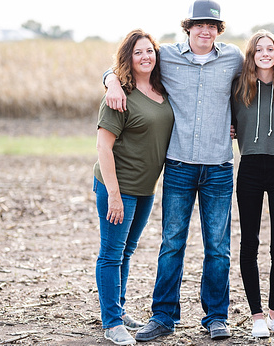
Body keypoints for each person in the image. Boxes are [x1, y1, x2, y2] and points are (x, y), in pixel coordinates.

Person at [103, 0, 274, 341]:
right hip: (178, 166)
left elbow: (265, 68)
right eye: (199, 24)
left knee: (218, 247)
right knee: (172, 243)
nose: (205, 30)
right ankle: (163, 316)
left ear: (218, 30)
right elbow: (131, 62)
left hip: (219, 168)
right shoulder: (167, 56)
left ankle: (216, 317)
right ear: (188, 27)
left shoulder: (234, 58)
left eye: (212, 25)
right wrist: (111, 81)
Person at [93, 30, 174, 346]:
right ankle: (112, 323)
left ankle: (118, 308)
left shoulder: (161, 89)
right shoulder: (118, 95)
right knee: (111, 254)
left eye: (150, 52)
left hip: (145, 189)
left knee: (126, 251)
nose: (145, 57)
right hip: (118, 187)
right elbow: (103, 147)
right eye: (138, 52)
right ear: (128, 57)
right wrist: (113, 194)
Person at [231, 31, 274, 338]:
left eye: (270, 48)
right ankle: (257, 315)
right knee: (250, 243)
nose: (264, 53)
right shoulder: (238, 88)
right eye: (258, 48)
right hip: (248, 168)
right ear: (251, 54)